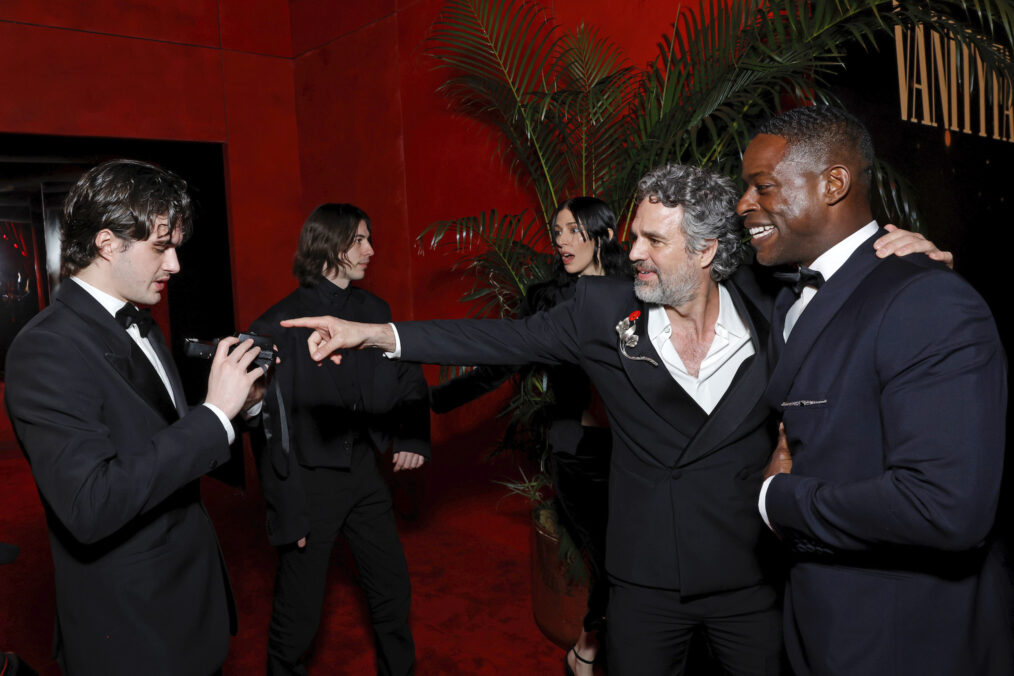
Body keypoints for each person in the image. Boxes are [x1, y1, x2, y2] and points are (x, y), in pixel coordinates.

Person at [277, 164, 948, 674]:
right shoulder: (601, 311)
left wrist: (910, 263)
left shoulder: (773, 302)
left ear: (708, 249)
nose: (633, 252)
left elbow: (859, 300)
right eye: (632, 236)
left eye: (654, 240)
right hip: (645, 580)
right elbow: (494, 342)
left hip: (749, 574)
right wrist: (375, 335)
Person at [740, 104, 1013, 675]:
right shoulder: (786, 294)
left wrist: (778, 500)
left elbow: (944, 509)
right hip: (818, 622)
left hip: (903, 639)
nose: (745, 204)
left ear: (834, 183)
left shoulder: (926, 299)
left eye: (761, 186)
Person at [3, 159, 266, 676]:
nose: (175, 266)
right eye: (161, 247)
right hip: (131, 626)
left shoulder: (141, 321)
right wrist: (213, 416)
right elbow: (90, 504)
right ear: (107, 243)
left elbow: (159, 438)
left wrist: (243, 403)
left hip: (185, 597)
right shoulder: (44, 349)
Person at [429, 196, 626, 675]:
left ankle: (587, 647)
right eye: (556, 231)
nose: (561, 240)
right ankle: (589, 651)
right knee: (611, 565)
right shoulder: (548, 299)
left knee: (634, 564)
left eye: (572, 229)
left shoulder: (637, 288)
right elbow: (504, 357)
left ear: (602, 233)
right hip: (579, 454)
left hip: (636, 456)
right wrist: (434, 399)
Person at [249, 203, 430, 676]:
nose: (371, 249)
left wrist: (411, 435)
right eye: (360, 240)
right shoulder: (277, 326)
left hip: (366, 475)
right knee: (299, 617)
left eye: (369, 238)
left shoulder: (375, 311)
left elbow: (409, 374)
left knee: (392, 593)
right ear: (330, 246)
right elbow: (267, 433)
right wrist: (286, 509)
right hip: (309, 486)